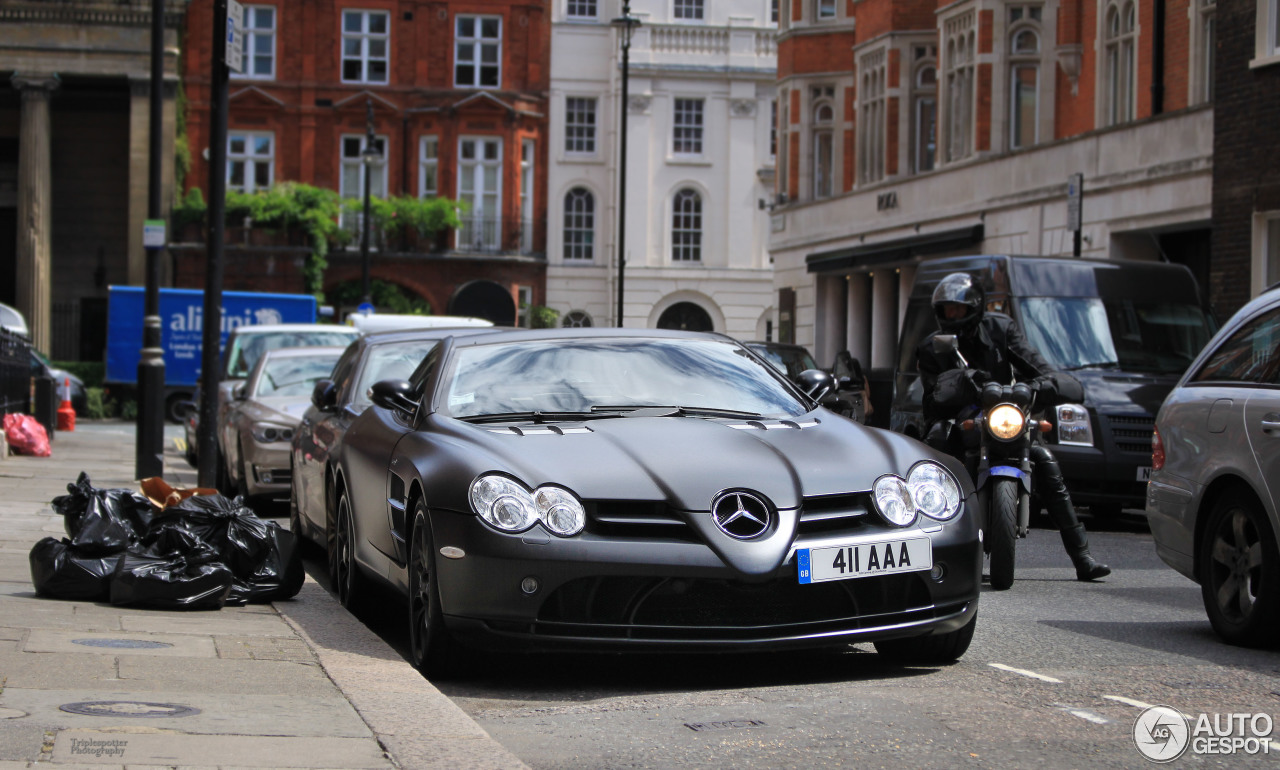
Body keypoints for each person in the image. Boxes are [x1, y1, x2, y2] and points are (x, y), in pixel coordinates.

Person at [915, 272, 1110, 582]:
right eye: (947, 310)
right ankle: (926, 546)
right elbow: (937, 392)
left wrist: (1038, 387)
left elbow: (1036, 364)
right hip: (957, 417)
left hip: (1003, 414)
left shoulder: (1000, 329)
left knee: (1044, 460)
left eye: (958, 309)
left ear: (974, 307)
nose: (952, 315)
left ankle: (1082, 555)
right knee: (937, 444)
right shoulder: (933, 346)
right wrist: (971, 380)